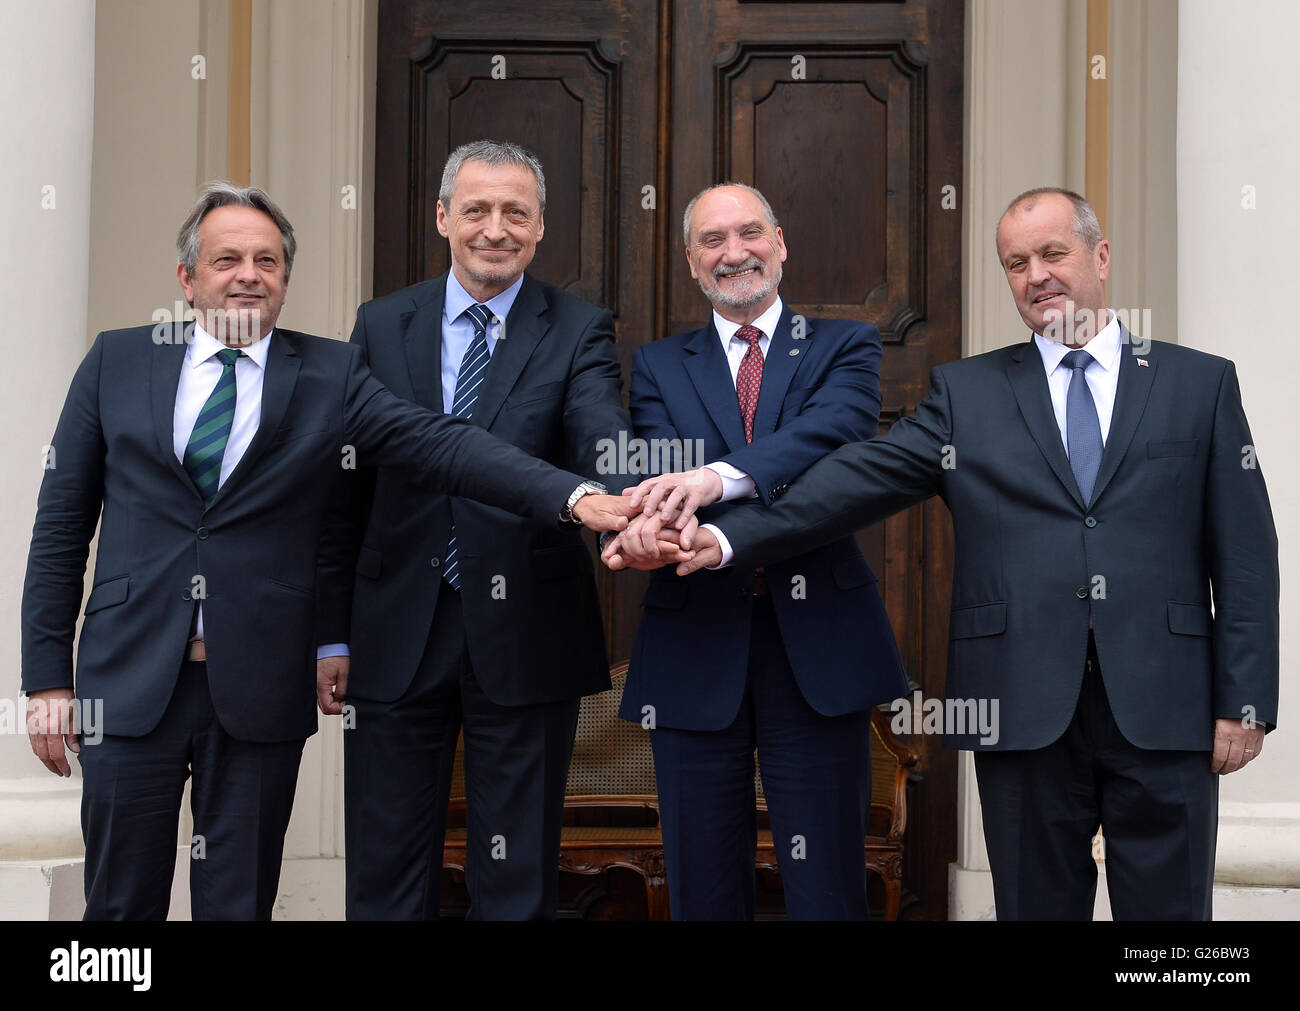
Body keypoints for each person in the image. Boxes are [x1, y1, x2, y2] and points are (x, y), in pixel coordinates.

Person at [650, 187, 1280, 920]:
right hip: (1022, 707)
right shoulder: (968, 393)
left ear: (1100, 257)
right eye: (1016, 263)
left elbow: (1246, 553)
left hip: (1168, 704)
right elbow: (851, 485)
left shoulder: (1198, 383)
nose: (1036, 274)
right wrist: (727, 536)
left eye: (1053, 253)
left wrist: (1246, 698)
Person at [20, 182, 633, 921]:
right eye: (228, 259)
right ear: (188, 278)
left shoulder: (328, 375)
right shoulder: (116, 361)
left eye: (268, 260)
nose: (249, 273)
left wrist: (574, 498)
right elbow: (60, 525)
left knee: (239, 902)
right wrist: (47, 679)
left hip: (256, 688)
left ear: (285, 279)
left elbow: (444, 445)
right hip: (125, 683)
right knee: (117, 905)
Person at [314, 140, 633, 920]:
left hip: (529, 627)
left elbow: (600, 434)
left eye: (515, 213)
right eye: (478, 209)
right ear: (443, 217)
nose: (496, 228)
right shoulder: (382, 324)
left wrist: (619, 492)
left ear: (540, 227)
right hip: (393, 629)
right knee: (387, 867)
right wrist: (330, 634)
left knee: (517, 869)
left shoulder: (578, 328)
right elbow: (343, 491)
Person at [600, 183, 907, 920]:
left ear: (780, 241)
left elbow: (831, 438)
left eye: (749, 233)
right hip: (694, 638)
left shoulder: (846, 345)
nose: (734, 252)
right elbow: (658, 464)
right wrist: (656, 513)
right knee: (702, 886)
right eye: (713, 240)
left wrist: (713, 478)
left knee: (828, 884)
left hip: (819, 645)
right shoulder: (659, 365)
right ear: (691, 261)